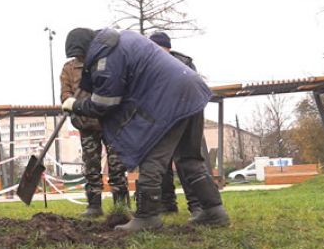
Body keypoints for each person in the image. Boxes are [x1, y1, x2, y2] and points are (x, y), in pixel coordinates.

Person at [61, 27, 229, 233]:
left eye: (80, 56)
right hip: (191, 88)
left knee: (152, 156)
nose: (80, 61)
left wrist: (74, 105)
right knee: (189, 157)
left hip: (170, 98)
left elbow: (106, 103)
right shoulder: (123, 40)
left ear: (86, 48)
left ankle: (147, 216)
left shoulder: (107, 56)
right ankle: (214, 210)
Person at [60, 28, 129, 217]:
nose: (79, 57)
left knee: (116, 166)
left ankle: (121, 205)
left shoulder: (102, 62)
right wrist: (70, 102)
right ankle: (94, 205)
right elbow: (65, 92)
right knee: (91, 166)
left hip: (109, 122)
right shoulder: (68, 68)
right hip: (86, 124)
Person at [148, 31, 203, 216]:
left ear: (168, 48)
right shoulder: (147, 66)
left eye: (159, 48)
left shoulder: (184, 63)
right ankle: (167, 204)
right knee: (161, 163)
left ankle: (196, 205)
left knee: (185, 160)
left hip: (183, 117)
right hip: (160, 119)